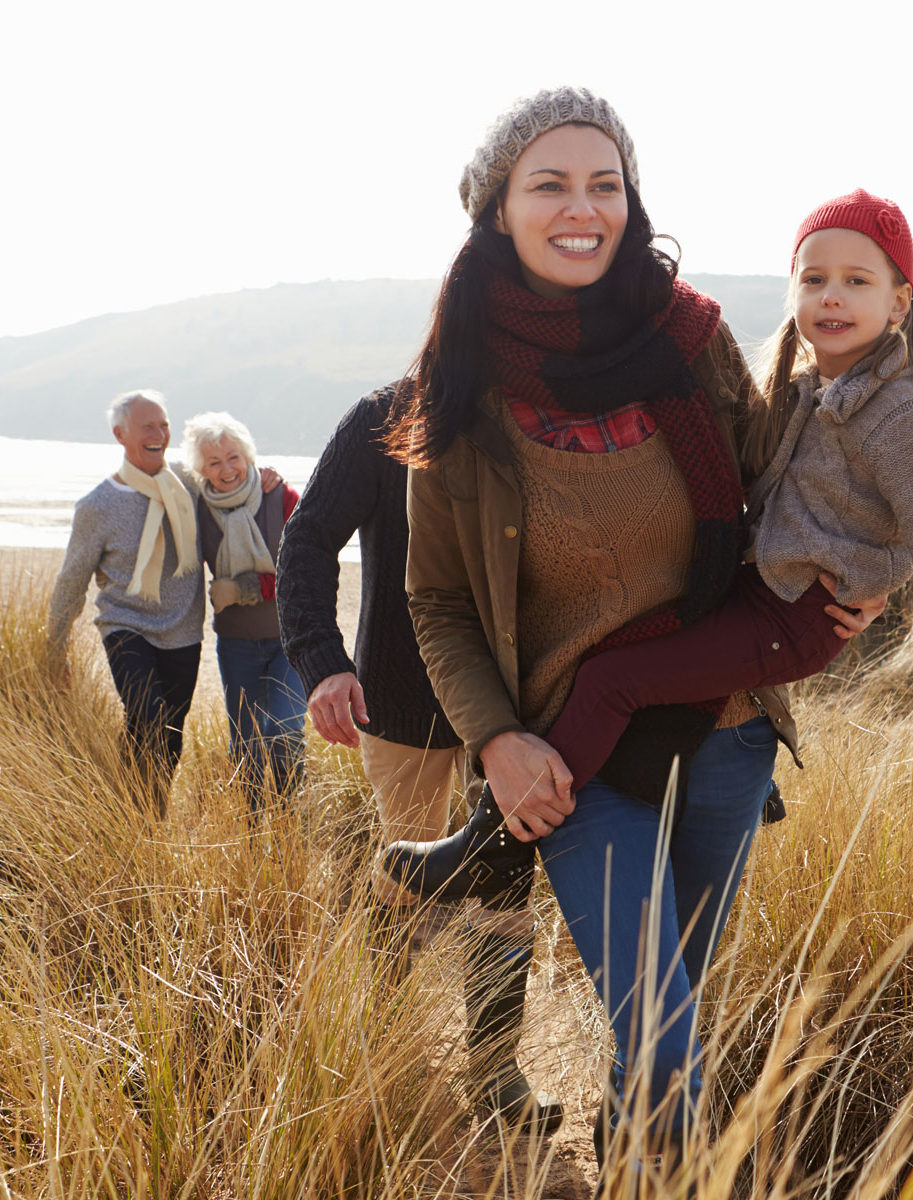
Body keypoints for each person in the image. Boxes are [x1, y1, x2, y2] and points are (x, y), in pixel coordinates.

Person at [378, 88, 884, 1175]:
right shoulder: (458, 394)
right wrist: (497, 741)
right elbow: (439, 603)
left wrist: (869, 563)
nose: (584, 207)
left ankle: (629, 1151)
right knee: (664, 1028)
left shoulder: (692, 343)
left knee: (667, 1016)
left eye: (604, 184)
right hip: (574, 756)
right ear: (498, 208)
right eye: (549, 184)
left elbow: (778, 486)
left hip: (726, 733)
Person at [391, 189, 913, 894]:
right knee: (618, 655)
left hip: (793, 613)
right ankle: (560, 820)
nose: (832, 296)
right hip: (766, 591)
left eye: (858, 281)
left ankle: (498, 845)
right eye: (814, 279)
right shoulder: (807, 389)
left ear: (899, 303)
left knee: (613, 680)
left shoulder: (897, 409)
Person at [274, 383, 562, 1136]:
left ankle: (495, 1069)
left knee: (507, 877)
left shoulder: (547, 409)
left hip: (514, 705)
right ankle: (382, 1027)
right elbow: (306, 540)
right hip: (396, 699)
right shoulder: (383, 416)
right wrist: (322, 660)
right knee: (410, 879)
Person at [49, 389, 203, 817]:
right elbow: (71, 580)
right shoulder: (97, 505)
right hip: (126, 626)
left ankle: (150, 817)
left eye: (164, 424)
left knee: (170, 733)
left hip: (184, 630)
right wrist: (55, 644)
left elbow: (234, 489)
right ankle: (126, 810)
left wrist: (262, 476)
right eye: (148, 427)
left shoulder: (189, 485)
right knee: (147, 717)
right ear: (120, 434)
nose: (159, 434)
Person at [182, 412, 306, 810]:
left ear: (248, 455)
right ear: (201, 468)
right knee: (247, 743)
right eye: (214, 462)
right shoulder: (197, 507)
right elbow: (158, 476)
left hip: (290, 641)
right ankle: (252, 833)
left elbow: (304, 572)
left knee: (286, 732)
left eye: (233, 457)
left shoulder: (282, 498)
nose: (226, 469)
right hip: (235, 645)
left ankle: (291, 829)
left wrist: (244, 589)